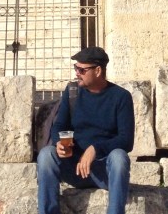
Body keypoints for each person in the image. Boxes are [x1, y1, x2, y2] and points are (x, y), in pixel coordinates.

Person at [37, 46, 134, 214]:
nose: (77, 73)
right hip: (74, 167)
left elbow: (126, 140)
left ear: (97, 70)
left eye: (82, 69)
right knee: (47, 155)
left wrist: (95, 149)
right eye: (76, 68)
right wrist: (59, 142)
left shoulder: (121, 97)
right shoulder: (72, 91)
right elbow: (59, 125)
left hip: (103, 171)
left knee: (119, 157)